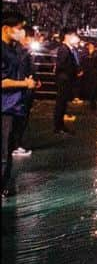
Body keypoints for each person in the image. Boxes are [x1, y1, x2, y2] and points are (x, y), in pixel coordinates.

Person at [3, 12, 40, 198]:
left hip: (15, 105)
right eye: (18, 28)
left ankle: (5, 184)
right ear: (6, 29)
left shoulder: (15, 48)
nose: (20, 32)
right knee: (3, 151)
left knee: (8, 148)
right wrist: (24, 84)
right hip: (4, 107)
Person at [52, 29, 81, 135]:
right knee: (60, 103)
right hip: (64, 79)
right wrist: (74, 70)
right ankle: (58, 126)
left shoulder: (68, 49)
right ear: (67, 36)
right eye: (73, 35)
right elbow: (61, 65)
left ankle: (60, 125)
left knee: (63, 104)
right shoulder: (64, 49)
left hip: (66, 79)